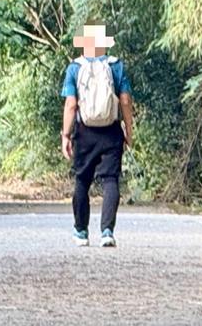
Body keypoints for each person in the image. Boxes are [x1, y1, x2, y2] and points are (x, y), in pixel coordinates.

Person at [60, 23, 134, 248]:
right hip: (111, 130)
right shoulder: (116, 66)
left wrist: (66, 135)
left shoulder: (74, 68)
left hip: (85, 132)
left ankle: (81, 232)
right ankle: (107, 232)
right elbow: (125, 101)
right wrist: (128, 130)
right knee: (110, 180)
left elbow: (71, 105)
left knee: (82, 180)